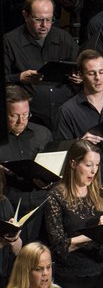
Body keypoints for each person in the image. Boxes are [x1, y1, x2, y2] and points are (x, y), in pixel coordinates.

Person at [42, 139, 103, 288]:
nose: (94, 171)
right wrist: (95, 232)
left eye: (97, 165)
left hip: (101, 271)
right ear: (74, 163)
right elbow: (60, 245)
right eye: (89, 164)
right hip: (72, 276)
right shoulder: (56, 196)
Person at [54, 49, 103, 210]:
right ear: (81, 75)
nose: (98, 78)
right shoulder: (68, 110)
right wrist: (79, 143)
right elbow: (59, 153)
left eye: (101, 72)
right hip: (85, 189)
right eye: (92, 73)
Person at [3, 0, 79, 131]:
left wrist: (80, 77)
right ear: (25, 16)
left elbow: (79, 67)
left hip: (63, 116)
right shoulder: (10, 41)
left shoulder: (63, 38)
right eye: (38, 19)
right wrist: (19, 77)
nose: (44, 25)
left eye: (49, 20)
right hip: (31, 119)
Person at [0, 86, 51, 243]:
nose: (21, 121)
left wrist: (46, 180)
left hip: (42, 205)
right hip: (10, 207)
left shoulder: (42, 134)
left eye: (25, 114)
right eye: (14, 116)